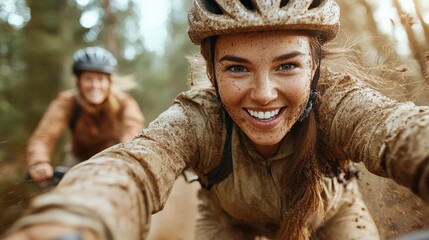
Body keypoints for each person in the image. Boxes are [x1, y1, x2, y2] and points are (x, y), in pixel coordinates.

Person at [3, 0, 429, 239]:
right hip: (229, 223)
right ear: (211, 73)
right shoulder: (197, 119)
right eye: (237, 68)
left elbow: (399, 130)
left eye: (287, 66)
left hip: (333, 218)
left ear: (316, 67)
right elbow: (136, 164)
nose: (263, 94)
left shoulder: (339, 103)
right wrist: (70, 223)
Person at [26, 46, 145, 185]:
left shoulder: (124, 102)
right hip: (76, 163)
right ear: (78, 81)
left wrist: (125, 157)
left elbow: (133, 129)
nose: (95, 85)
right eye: (88, 79)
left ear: (109, 82)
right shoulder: (67, 102)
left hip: (114, 160)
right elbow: (44, 135)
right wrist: (39, 162)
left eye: (100, 79)